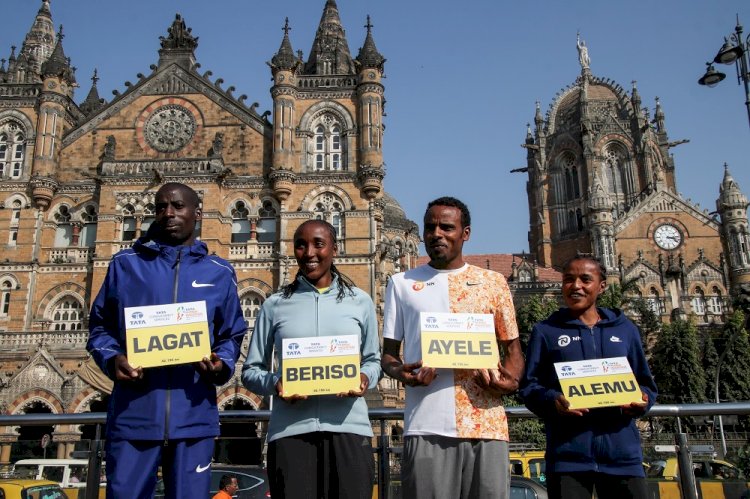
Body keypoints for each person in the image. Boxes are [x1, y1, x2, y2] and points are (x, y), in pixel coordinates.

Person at [87, 182, 246, 499]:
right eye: (161, 207)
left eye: (177, 206)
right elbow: (99, 327)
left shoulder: (219, 271)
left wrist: (221, 363)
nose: (168, 213)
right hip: (134, 414)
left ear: (197, 213)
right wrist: (112, 358)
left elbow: (231, 333)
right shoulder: (125, 264)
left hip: (193, 416)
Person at [381, 196, 524, 499]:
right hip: (426, 423)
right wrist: (402, 374)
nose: (437, 234)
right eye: (430, 227)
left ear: (465, 233)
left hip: (486, 422)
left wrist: (510, 382)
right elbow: (389, 355)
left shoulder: (493, 282)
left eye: (447, 227)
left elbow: (513, 351)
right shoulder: (401, 283)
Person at [242, 219, 380, 499]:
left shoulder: (360, 301)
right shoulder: (275, 304)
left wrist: (365, 377)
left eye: (318, 244)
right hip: (290, 432)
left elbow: (373, 360)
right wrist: (276, 383)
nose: (309, 253)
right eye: (301, 245)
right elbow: (251, 370)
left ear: (334, 249)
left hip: (349, 429)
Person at [520, 254, 657, 499]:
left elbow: (646, 384)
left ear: (601, 286)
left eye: (585, 279)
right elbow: (529, 386)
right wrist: (553, 400)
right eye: (569, 279)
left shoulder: (625, 330)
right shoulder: (546, 331)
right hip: (568, 458)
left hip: (623, 457)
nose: (576, 286)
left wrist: (642, 401)